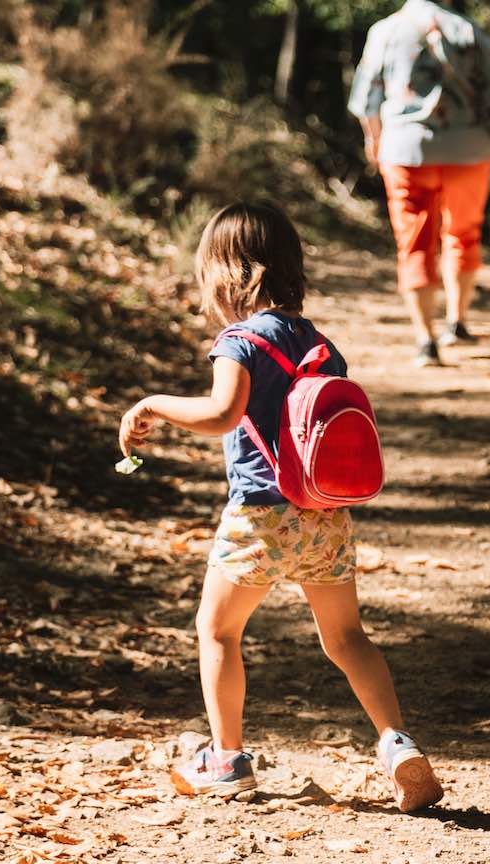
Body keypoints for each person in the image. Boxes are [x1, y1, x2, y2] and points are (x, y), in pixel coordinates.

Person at [117, 202, 444, 814]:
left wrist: (154, 404)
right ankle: (397, 742)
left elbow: (222, 414)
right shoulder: (320, 344)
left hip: (260, 517)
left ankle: (227, 759)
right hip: (325, 515)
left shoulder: (239, 342)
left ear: (225, 274)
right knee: (347, 638)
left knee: (217, 631)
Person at [348, 0, 490, 367]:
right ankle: (456, 322)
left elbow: (367, 97)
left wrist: (374, 138)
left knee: (414, 243)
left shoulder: (385, 31)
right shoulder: (469, 31)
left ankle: (425, 341)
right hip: (469, 150)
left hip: (405, 150)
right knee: (464, 234)